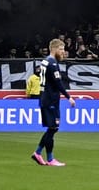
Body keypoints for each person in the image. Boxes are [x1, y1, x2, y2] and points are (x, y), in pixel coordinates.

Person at [31, 38, 76, 168]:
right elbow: (58, 83)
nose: (63, 52)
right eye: (61, 49)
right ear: (54, 49)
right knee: (53, 128)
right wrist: (69, 97)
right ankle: (49, 158)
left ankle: (38, 153)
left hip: (46, 98)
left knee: (52, 128)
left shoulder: (44, 61)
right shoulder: (52, 63)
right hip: (50, 100)